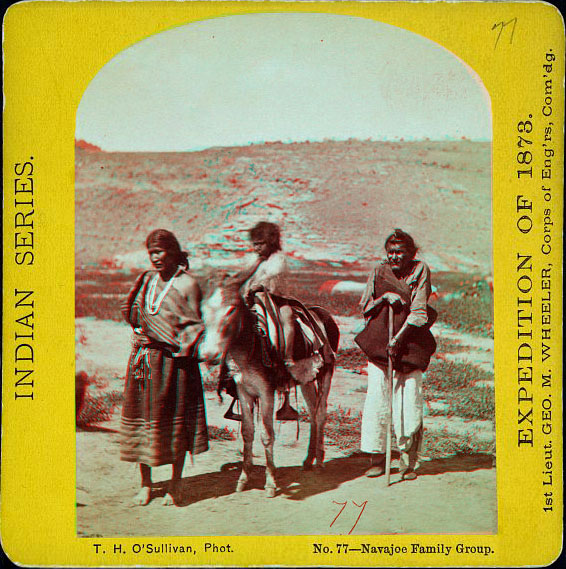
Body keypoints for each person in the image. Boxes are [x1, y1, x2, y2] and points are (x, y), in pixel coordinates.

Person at [120, 229, 208, 506]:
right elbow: (134, 315)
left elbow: (196, 328)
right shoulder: (146, 281)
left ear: (173, 251)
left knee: (176, 423)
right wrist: (140, 332)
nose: (155, 258)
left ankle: (175, 485)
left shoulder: (188, 284)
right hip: (145, 362)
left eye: (160, 252)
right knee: (143, 418)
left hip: (176, 364)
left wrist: (165, 339)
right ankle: (145, 484)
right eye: (151, 253)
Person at [358, 228, 435, 480]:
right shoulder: (378, 271)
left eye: (400, 252)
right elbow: (365, 306)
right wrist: (385, 298)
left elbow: (420, 311)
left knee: (408, 400)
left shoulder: (420, 270)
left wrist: (398, 340)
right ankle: (377, 457)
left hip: (410, 341)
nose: (394, 256)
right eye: (390, 252)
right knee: (376, 400)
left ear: (411, 253)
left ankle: (407, 459)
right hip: (379, 342)